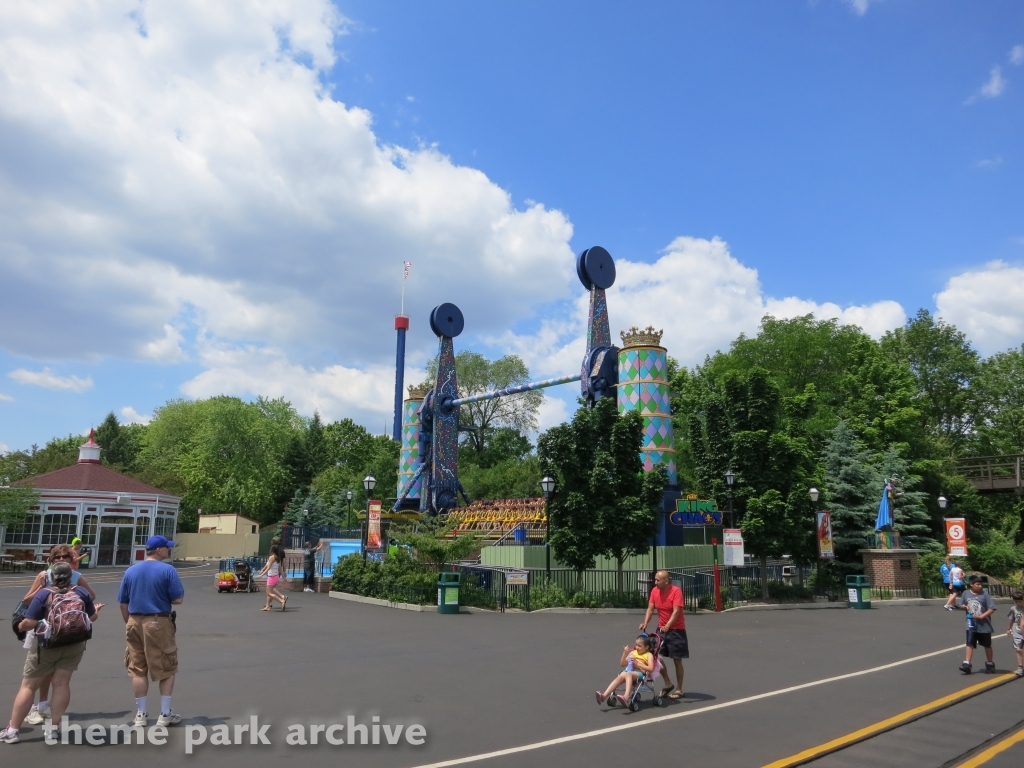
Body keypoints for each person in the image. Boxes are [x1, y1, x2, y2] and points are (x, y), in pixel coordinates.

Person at [1, 562, 103, 744]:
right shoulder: (81, 592)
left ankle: (13, 730)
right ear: (71, 575)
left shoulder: (44, 594)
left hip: (47, 645)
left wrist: (19, 625)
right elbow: (91, 617)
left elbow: (29, 622)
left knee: (29, 686)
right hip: (74, 644)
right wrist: (95, 611)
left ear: (51, 577)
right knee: (62, 684)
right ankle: (53, 729)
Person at [19, 545, 96, 727]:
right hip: (42, 628)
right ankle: (34, 709)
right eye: (57, 557)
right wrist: (44, 589)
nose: (61, 559)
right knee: (38, 674)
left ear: (71, 560)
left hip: (65, 630)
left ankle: (43, 705)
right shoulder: (44, 576)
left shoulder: (76, 578)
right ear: (51, 560)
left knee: (55, 675)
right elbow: (26, 599)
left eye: (65, 557)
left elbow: (90, 596)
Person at [117, 535, 184, 727]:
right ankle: (164, 713)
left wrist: (129, 622)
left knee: (137, 668)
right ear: (159, 550)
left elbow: (123, 602)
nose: (169, 550)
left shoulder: (131, 570)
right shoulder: (168, 570)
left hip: (134, 620)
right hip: (157, 621)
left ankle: (141, 714)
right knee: (166, 665)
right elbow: (178, 599)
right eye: (167, 548)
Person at [640, 570, 687, 699]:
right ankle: (668, 683)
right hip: (661, 630)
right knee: (655, 657)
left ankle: (679, 689)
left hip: (677, 630)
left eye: (657, 580)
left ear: (666, 581)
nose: (655, 582)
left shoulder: (676, 591)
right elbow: (650, 609)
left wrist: (668, 625)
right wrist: (645, 623)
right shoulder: (655, 591)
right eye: (655, 580)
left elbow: (676, 611)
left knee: (677, 660)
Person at [595, 635, 655, 708]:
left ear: (647, 647)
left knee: (628, 674)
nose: (636, 647)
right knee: (620, 676)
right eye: (636, 645)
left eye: (639, 646)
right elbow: (622, 664)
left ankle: (626, 697)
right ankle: (603, 696)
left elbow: (651, 668)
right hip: (629, 671)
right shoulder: (633, 653)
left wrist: (638, 664)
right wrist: (625, 653)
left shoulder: (648, 655)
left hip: (640, 673)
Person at [959, 574, 997, 674]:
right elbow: (961, 605)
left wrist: (982, 616)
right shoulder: (966, 593)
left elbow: (992, 608)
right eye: (978, 584)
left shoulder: (984, 594)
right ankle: (967, 663)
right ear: (971, 584)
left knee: (987, 645)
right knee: (969, 643)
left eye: (981, 584)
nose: (980, 586)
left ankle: (990, 663)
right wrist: (964, 607)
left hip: (984, 624)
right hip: (971, 623)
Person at [256, 545, 288, 611]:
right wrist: (284, 577)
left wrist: (261, 575)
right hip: (276, 577)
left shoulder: (271, 557)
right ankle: (268, 606)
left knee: (269, 593)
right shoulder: (278, 558)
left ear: (272, 551)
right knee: (270, 591)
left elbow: (268, 568)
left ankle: (281, 601)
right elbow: (280, 569)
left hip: (271, 577)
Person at [1006, 591, 1024, 677]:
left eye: (1020, 601)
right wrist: (1009, 629)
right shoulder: (1014, 609)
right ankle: (1020, 667)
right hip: (1017, 631)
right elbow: (1011, 619)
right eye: (1017, 602)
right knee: (1018, 649)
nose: (1019, 603)